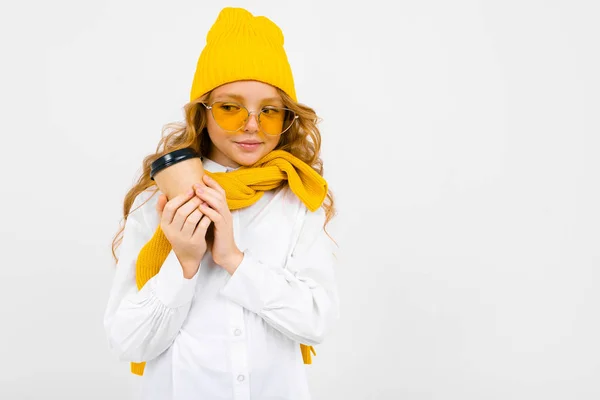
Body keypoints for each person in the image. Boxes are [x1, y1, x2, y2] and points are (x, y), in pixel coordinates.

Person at [103, 6, 340, 400]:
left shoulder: (297, 198)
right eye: (231, 108)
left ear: (286, 117)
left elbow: (318, 320)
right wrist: (185, 263)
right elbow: (127, 342)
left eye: (268, 110)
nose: (251, 124)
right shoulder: (158, 201)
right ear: (203, 113)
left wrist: (233, 258)